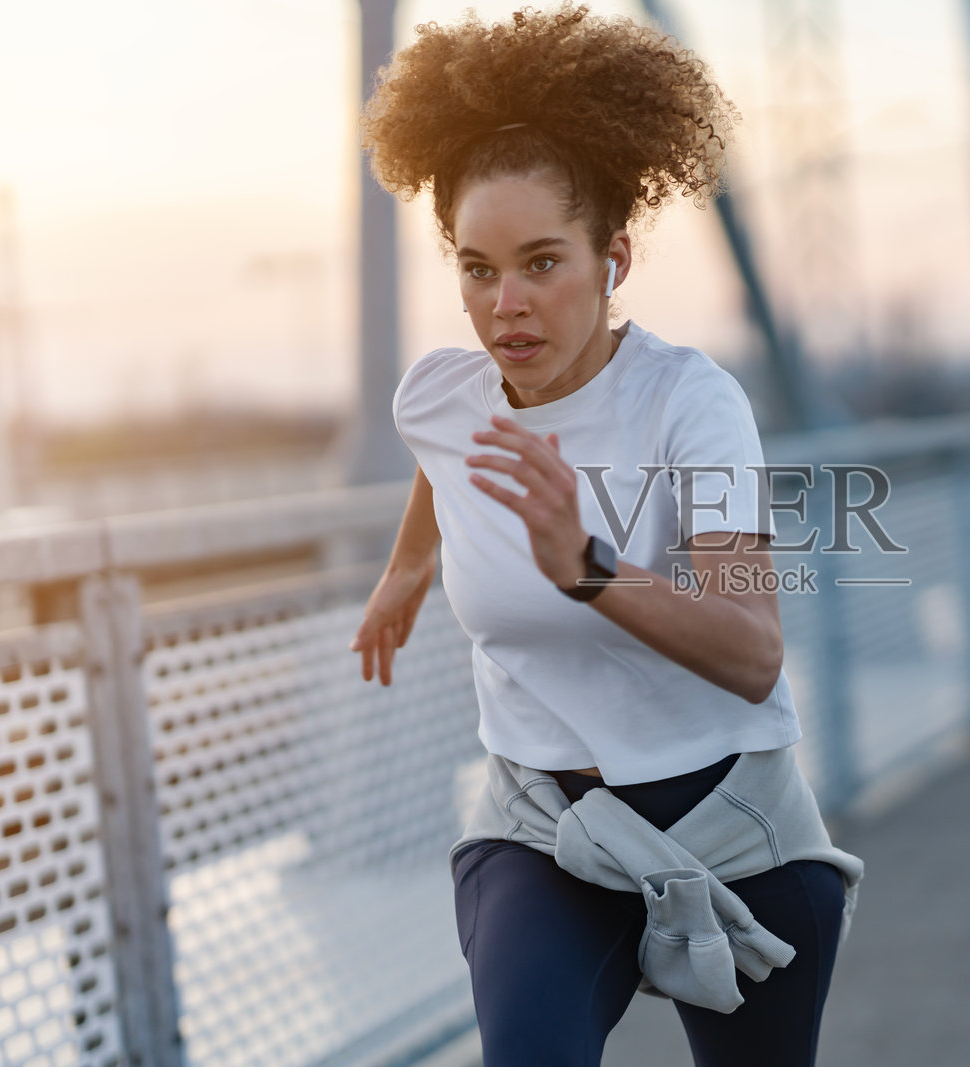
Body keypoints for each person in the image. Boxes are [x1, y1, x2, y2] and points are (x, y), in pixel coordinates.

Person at [347, 7, 863, 1066]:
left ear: (613, 256)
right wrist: (408, 567)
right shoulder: (439, 396)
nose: (506, 305)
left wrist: (585, 565)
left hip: (728, 825)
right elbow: (441, 453)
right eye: (477, 268)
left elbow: (751, 648)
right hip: (544, 829)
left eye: (542, 262)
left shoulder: (692, 405)